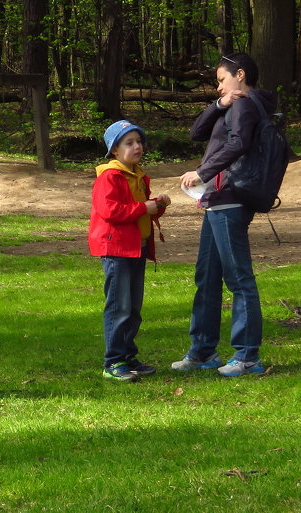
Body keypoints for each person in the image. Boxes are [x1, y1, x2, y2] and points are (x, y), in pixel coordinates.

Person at [175, 53, 276, 377]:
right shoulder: (233, 105)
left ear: (241, 74)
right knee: (207, 278)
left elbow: (239, 144)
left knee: (238, 278)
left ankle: (247, 356)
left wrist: (202, 172)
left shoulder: (246, 105)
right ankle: (203, 352)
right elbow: (196, 132)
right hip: (217, 200)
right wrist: (220, 105)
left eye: (221, 80)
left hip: (231, 198)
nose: (218, 87)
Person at [88, 120, 170, 382]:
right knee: (118, 306)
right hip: (116, 249)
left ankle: (128, 356)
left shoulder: (138, 175)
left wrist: (158, 205)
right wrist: (144, 208)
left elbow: (141, 210)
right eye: (129, 143)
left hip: (137, 246)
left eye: (139, 141)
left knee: (133, 307)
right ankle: (112, 361)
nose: (137, 147)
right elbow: (110, 211)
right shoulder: (109, 177)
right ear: (114, 150)